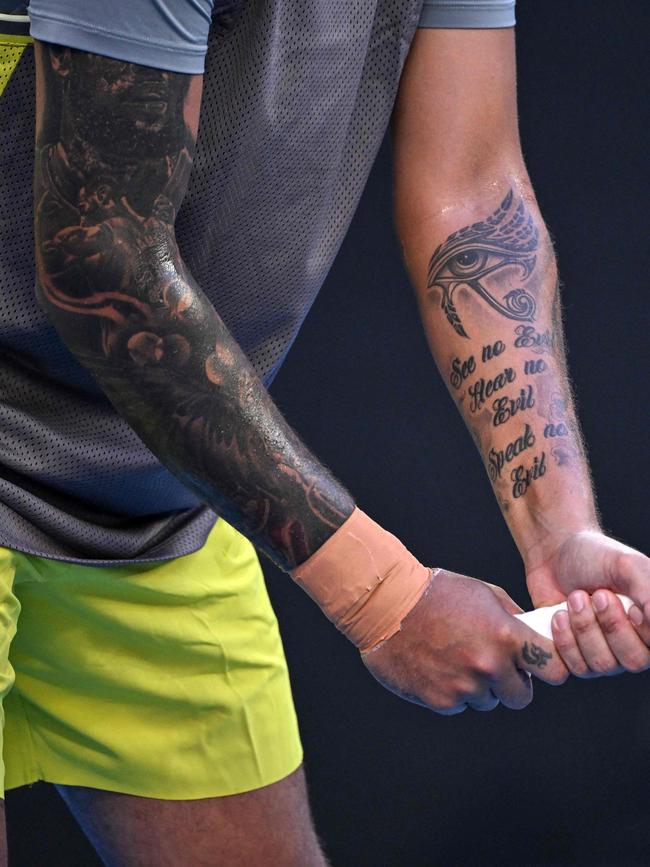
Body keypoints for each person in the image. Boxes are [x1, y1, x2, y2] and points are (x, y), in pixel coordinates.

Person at [0, 0, 648, 864]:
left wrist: (558, 526)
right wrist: (385, 596)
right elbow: (103, 255)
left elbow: (472, 192)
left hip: (153, 494)